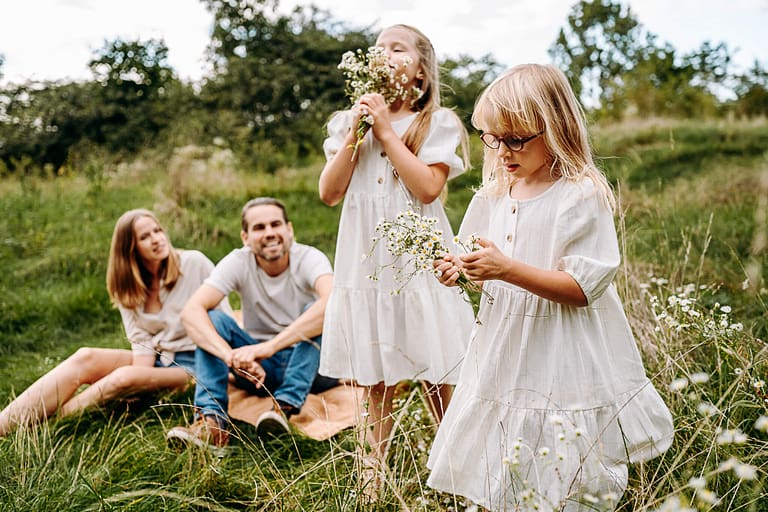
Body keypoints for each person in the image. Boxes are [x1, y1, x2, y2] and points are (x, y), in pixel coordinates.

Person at [426, 64, 675, 511]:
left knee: (566, 451)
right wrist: (458, 268)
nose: (502, 150)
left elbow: (582, 287)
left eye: (516, 139)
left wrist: (506, 269)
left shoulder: (579, 194)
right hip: (504, 345)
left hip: (562, 345)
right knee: (506, 445)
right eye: (492, 137)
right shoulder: (493, 194)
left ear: (556, 127)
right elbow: (474, 254)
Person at [318, 23, 475, 486]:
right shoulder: (347, 124)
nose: (384, 53)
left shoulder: (435, 123)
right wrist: (357, 131)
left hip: (419, 257)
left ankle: (454, 463)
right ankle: (372, 473)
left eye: (398, 48)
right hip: (365, 261)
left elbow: (428, 189)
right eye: (379, 47)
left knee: (436, 359)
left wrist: (387, 131)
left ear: (422, 73)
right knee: (375, 372)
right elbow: (329, 193)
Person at [0, 209, 226, 436]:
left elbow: (222, 321)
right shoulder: (128, 286)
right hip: (160, 358)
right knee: (85, 357)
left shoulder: (194, 263)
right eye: (145, 237)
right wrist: (141, 382)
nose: (156, 239)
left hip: (197, 364)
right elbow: (141, 346)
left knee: (123, 377)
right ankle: (4, 425)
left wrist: (133, 380)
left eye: (158, 231)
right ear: (130, 249)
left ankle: (47, 428)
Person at [166, 197, 337, 450]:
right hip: (258, 371)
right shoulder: (239, 261)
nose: (269, 233)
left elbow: (333, 302)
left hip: (314, 367)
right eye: (259, 228)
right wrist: (231, 356)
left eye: (275, 224)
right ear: (245, 237)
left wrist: (269, 347)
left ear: (289, 229)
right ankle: (211, 423)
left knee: (317, 311)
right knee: (212, 320)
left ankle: (282, 408)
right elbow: (191, 312)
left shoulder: (310, 258)